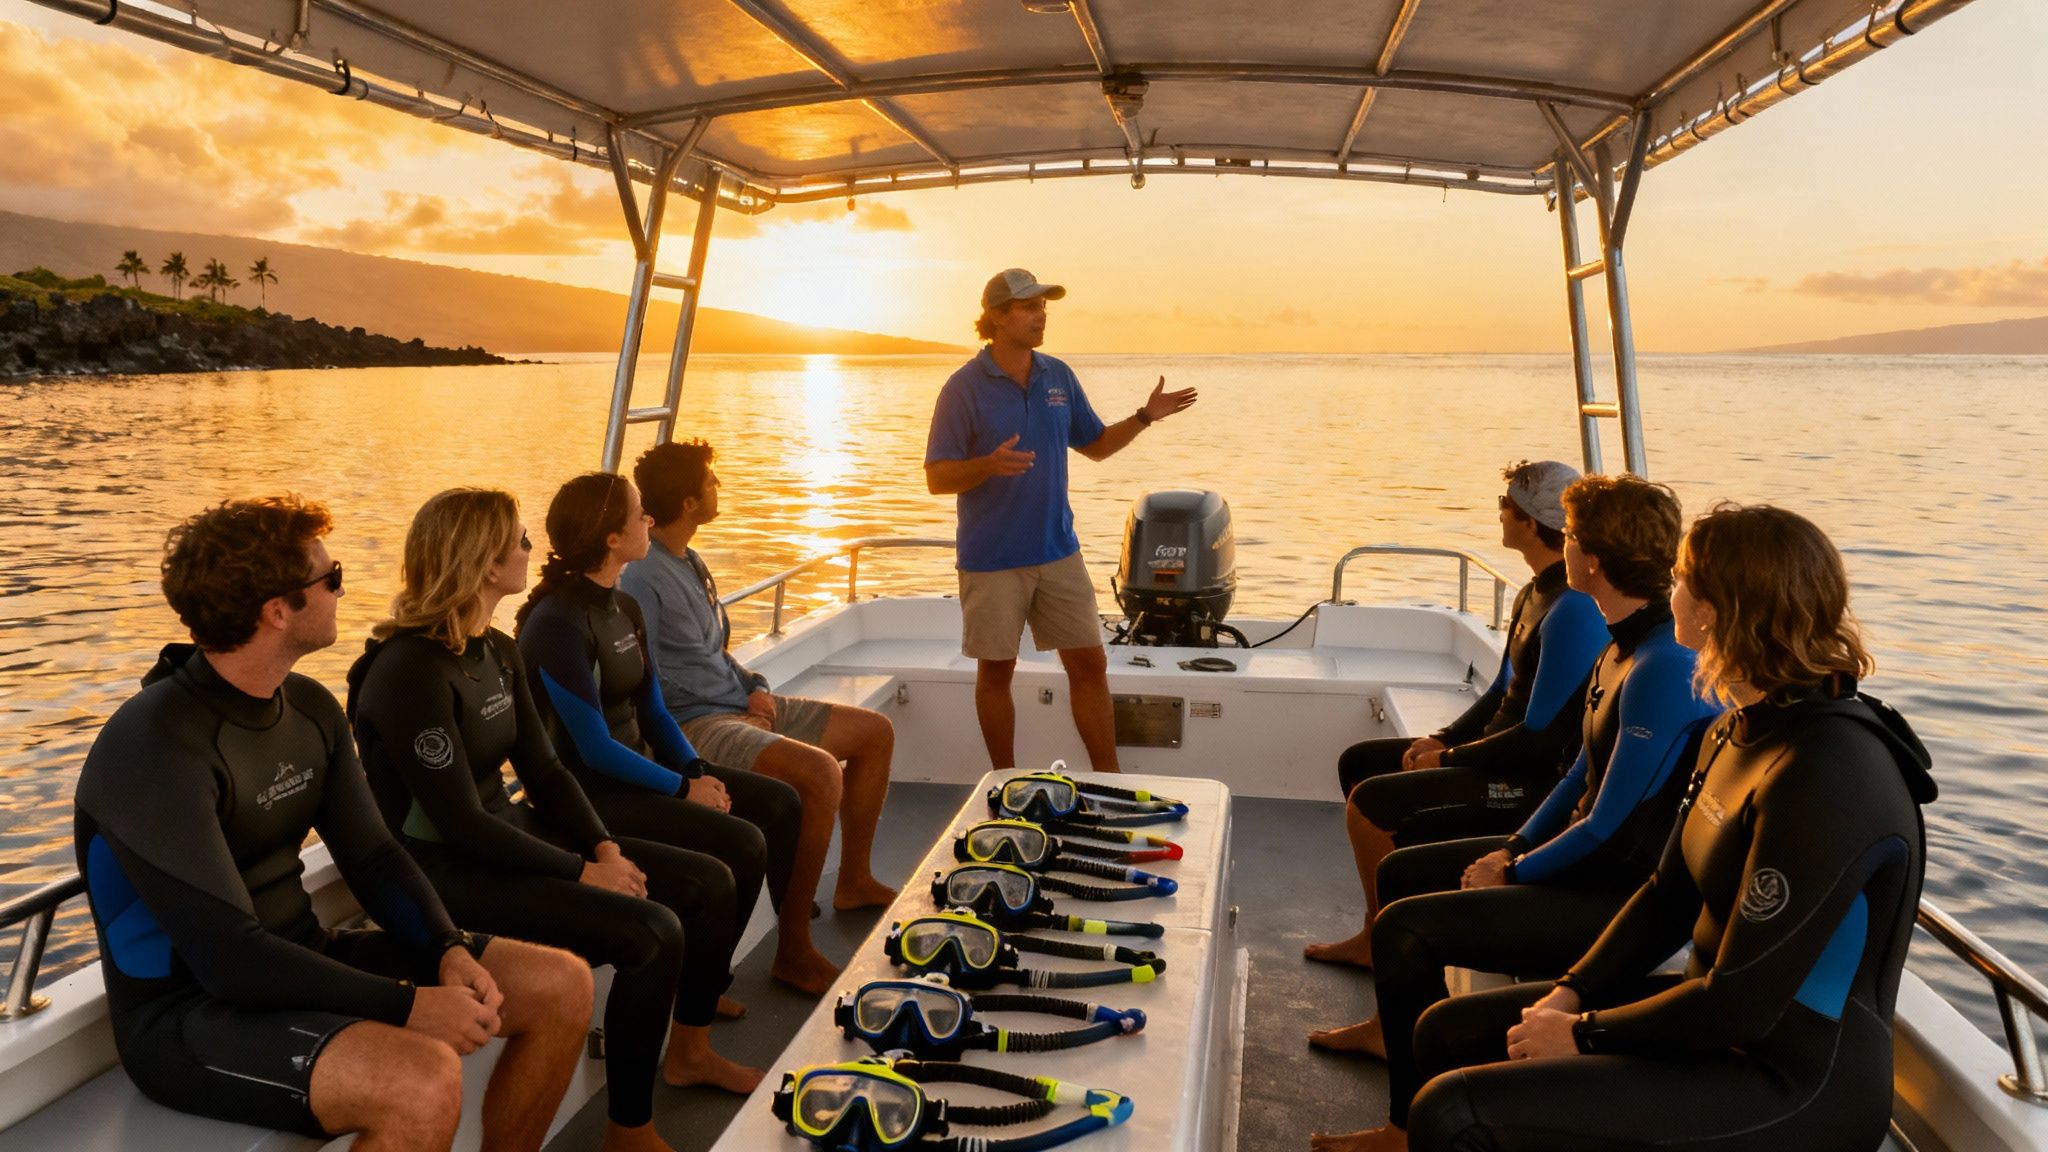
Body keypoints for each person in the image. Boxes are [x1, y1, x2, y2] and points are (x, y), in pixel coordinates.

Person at [1400, 505, 1936, 1152]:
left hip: (1794, 1083)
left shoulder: (1830, 772)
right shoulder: (1735, 729)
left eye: (1680, 577)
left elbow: (1741, 1002)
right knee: (1447, 1031)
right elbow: (1666, 897)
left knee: (1456, 1115)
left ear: (1714, 606)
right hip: (1712, 1025)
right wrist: (1573, 993)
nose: (1669, 590)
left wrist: (1586, 1033)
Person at [74, 495, 590, 1152]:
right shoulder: (154, 748)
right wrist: (410, 1004)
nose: (344, 590)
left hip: (302, 958)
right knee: (422, 1079)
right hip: (190, 1016)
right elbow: (231, 959)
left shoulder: (310, 709)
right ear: (277, 610)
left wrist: (446, 949)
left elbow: (374, 856)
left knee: (560, 984)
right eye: (332, 578)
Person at [1307, 474, 1718, 1152]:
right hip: (1572, 855)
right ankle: (1393, 1038)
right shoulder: (1622, 645)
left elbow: (1608, 825)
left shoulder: (1658, 667)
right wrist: (1513, 848)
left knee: (1406, 930)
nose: (1568, 547)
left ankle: (1405, 1131)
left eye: (1576, 537)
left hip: (1617, 892)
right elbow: (1583, 776)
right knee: (1403, 877)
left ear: (1593, 557)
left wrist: (1517, 869)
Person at [347, 489, 763, 1152]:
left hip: (504, 836)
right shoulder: (408, 672)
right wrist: (581, 870)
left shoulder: (497, 651)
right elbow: (457, 823)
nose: (528, 551)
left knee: (706, 881)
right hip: (440, 871)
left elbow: (544, 773)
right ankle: (630, 1130)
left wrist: (601, 847)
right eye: (517, 541)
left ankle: (687, 1053)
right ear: (485, 565)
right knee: (652, 931)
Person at [512, 473, 821, 991]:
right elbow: (593, 749)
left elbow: (654, 713)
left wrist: (697, 770)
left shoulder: (624, 607)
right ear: (612, 538)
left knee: (781, 804)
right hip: (589, 795)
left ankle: (739, 967)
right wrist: (682, 788)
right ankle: (699, 1005)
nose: (649, 520)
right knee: (742, 844)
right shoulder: (557, 624)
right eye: (639, 514)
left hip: (641, 771)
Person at [1305, 461, 1609, 970]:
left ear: (1531, 523)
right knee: (1359, 761)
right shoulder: (1535, 592)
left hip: (1526, 781)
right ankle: (1372, 933)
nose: (1499, 515)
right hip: (1494, 757)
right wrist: (1442, 737)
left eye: (1504, 507)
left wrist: (1450, 756)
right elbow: (1500, 693)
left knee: (1371, 803)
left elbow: (1539, 739)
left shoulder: (1573, 610)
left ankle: (1390, 946)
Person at [923, 268, 1198, 773]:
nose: (1041, 314)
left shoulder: (1058, 376)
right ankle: (1004, 780)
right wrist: (986, 464)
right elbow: (937, 478)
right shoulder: (963, 388)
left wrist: (1143, 417)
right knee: (997, 671)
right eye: (1029, 307)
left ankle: (1108, 778)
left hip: (1058, 551)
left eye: (1044, 305)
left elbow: (1094, 446)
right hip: (993, 560)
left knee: (1090, 664)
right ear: (998, 317)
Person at [623, 444, 896, 947]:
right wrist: (731, 701)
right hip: (694, 723)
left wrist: (751, 684)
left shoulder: (690, 559)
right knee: (820, 773)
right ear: (687, 503)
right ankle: (794, 944)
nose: (717, 488)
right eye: (710, 482)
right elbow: (647, 677)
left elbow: (712, 650)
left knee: (874, 732)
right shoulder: (641, 575)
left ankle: (854, 881)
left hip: (734, 701)